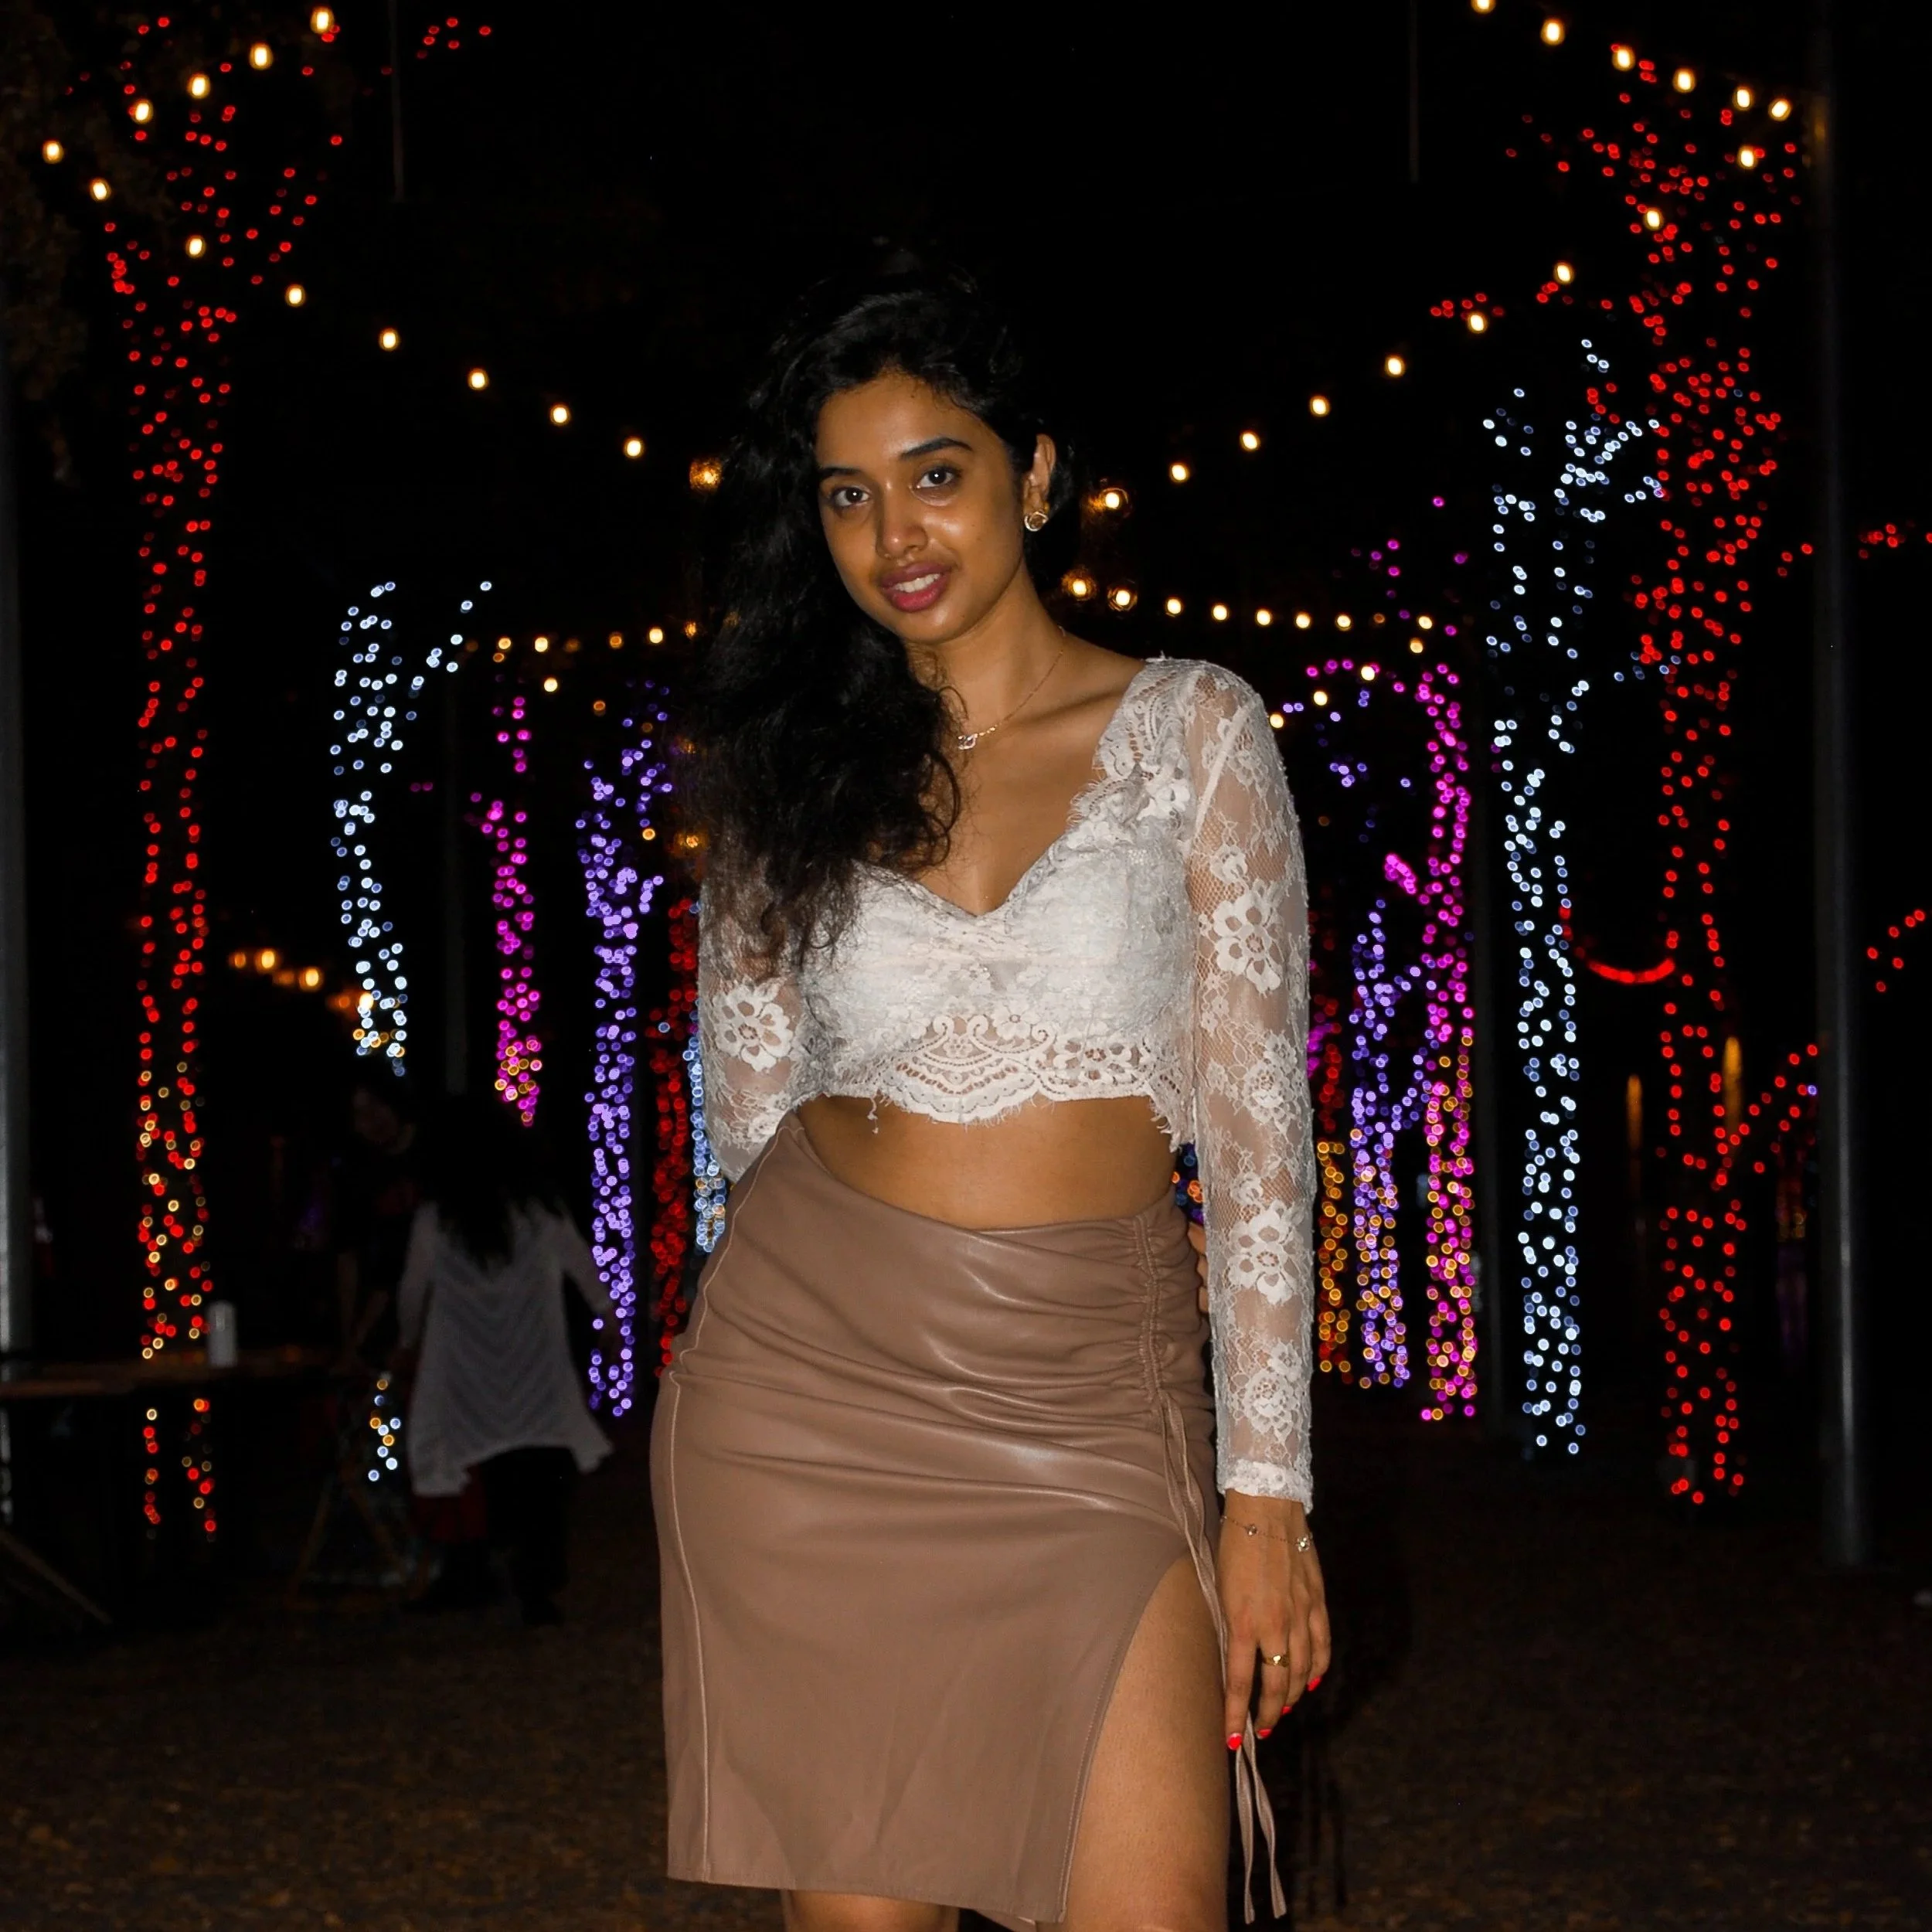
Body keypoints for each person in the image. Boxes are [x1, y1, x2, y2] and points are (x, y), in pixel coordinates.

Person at [651, 268, 1331, 1932]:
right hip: (811, 1401)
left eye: (935, 472)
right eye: (846, 493)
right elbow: (738, 1114)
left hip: (1093, 1401)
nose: (894, 531)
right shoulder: (782, 775)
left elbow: (1257, 1147)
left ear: (1033, 473)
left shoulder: (1190, 731)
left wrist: (1269, 1497)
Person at [396, 1100, 614, 1625]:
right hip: (534, 1368)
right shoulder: (537, 1211)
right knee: (540, 1477)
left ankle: (481, 1570)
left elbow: (412, 1290)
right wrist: (607, 1321)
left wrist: (407, 1342)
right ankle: (534, 1583)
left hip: (469, 1375)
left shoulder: (437, 1221)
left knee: (483, 1472)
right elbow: (583, 1266)